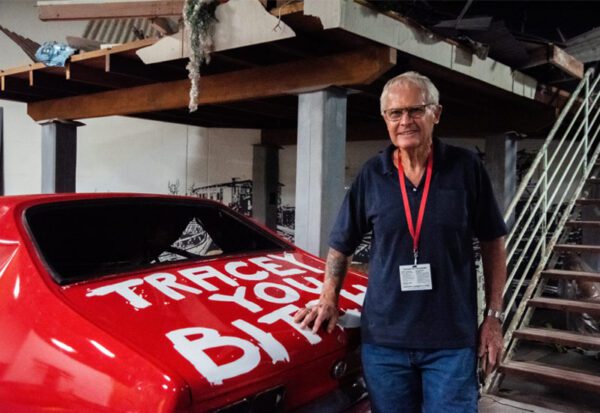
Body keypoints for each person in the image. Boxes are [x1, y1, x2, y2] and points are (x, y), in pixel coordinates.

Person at [294, 71, 507, 413]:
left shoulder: (465, 168)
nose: (405, 121)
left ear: (436, 113)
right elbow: (341, 244)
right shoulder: (372, 175)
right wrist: (328, 298)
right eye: (396, 113)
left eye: (415, 110)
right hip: (385, 345)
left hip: (451, 344)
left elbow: (494, 241)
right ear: (385, 120)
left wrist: (493, 317)